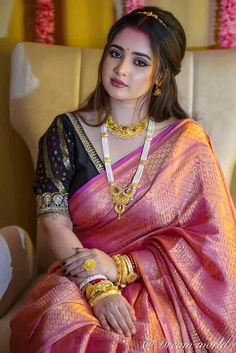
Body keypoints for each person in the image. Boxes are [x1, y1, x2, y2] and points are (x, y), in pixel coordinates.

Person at [10, 6, 236, 353]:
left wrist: (122, 266)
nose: (121, 69)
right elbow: (53, 223)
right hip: (81, 275)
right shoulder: (66, 132)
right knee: (63, 330)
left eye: (140, 62)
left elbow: (213, 242)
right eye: (115, 53)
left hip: (166, 285)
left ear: (160, 76)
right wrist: (98, 286)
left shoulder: (186, 143)